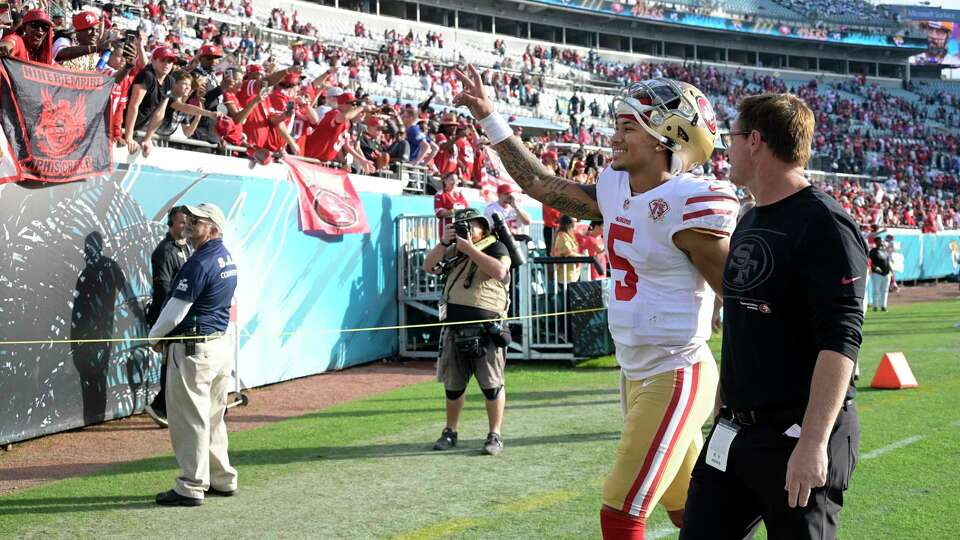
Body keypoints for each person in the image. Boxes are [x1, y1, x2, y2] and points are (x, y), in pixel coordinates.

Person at [454, 68, 734, 538]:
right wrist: (490, 118)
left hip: (676, 367)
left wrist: (739, 386)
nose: (615, 137)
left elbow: (740, 298)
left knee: (621, 509)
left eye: (629, 128)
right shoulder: (616, 188)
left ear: (667, 139)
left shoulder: (690, 204)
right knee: (688, 505)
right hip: (635, 370)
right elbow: (541, 184)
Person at [681, 94, 866, 539]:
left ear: (756, 141)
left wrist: (813, 442)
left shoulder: (824, 222)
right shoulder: (749, 218)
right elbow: (745, 319)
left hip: (797, 433)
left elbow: (840, 340)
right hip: (736, 431)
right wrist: (728, 392)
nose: (727, 148)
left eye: (733, 138)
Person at [149, 203, 238, 506]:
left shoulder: (199, 261)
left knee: (190, 421)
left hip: (194, 349)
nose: (189, 222)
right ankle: (222, 479)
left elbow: (176, 310)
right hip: (218, 346)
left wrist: (154, 337)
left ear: (212, 228)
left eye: (198, 220)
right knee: (213, 417)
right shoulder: (225, 256)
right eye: (190, 218)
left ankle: (191, 485)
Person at [422, 208, 513, 456]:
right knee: (453, 387)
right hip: (454, 328)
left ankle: (495, 434)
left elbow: (500, 272)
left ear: (483, 228)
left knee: (492, 386)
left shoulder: (497, 248)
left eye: (469, 226)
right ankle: (450, 431)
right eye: (461, 226)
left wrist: (470, 249)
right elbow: (429, 267)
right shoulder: (453, 250)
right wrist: (444, 242)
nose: (465, 230)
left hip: (487, 330)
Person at [144, 206, 192, 428]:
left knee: (179, 363)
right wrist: (169, 319)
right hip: (168, 317)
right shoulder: (163, 252)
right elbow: (163, 289)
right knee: (170, 362)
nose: (186, 226)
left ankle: (167, 406)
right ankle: (160, 407)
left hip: (182, 317)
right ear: (171, 224)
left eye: (188, 222)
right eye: (182, 222)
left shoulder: (188, 248)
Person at [124, 47, 178, 158]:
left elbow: (160, 113)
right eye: (162, 60)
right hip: (121, 124)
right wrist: (128, 137)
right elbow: (133, 106)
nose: (167, 64)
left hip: (137, 126)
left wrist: (147, 139)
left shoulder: (170, 81)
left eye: (170, 61)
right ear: (153, 60)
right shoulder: (146, 75)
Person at [433, 172, 468, 236]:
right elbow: (439, 212)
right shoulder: (440, 194)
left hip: (461, 228)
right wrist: (453, 211)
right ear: (445, 181)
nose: (454, 182)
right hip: (447, 229)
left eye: (456, 180)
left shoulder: (460, 194)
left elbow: (467, 208)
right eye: (452, 179)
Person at [550, 215, 581, 283]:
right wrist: (582, 257)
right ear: (569, 223)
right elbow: (567, 252)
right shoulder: (562, 235)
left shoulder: (568, 235)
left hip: (571, 274)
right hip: (566, 276)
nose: (577, 224)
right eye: (575, 222)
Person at [868, 236, 891, 312]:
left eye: (881, 241)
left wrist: (890, 271)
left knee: (885, 290)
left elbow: (887, 262)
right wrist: (875, 268)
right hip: (877, 274)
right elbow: (869, 262)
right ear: (876, 242)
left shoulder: (884, 250)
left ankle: (883, 306)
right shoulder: (873, 251)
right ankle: (875, 306)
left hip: (886, 273)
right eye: (879, 241)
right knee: (876, 290)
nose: (881, 242)